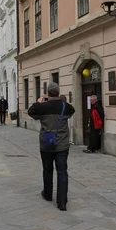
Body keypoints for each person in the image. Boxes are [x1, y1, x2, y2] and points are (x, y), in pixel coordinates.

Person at [28, 82, 75, 211]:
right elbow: (72, 111)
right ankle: (62, 202)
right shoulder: (65, 107)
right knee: (62, 172)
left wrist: (39, 102)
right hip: (62, 145)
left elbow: (31, 112)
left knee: (47, 170)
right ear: (58, 93)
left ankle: (48, 194)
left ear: (47, 93)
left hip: (46, 144)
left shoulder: (43, 107)